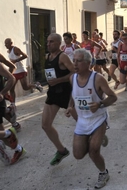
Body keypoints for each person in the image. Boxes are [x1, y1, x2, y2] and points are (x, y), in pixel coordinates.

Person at [65, 49, 117, 189]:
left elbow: (113, 97)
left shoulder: (98, 78)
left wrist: (99, 104)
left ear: (88, 63)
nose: (75, 64)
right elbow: (73, 92)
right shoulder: (72, 78)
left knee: (94, 151)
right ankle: (97, 138)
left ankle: (103, 173)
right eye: (73, 60)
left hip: (98, 118)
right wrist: (70, 106)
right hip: (82, 121)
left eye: (79, 61)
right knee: (78, 154)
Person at [43, 33, 74, 165]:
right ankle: (61, 151)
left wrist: (59, 80)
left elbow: (75, 72)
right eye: (47, 42)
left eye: (51, 42)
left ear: (58, 43)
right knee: (45, 125)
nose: (48, 44)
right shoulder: (47, 56)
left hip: (67, 93)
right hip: (53, 94)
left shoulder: (63, 57)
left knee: (83, 122)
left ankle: (97, 135)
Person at [4, 38, 43, 103]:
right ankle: (13, 104)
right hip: (14, 72)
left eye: (7, 43)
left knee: (25, 87)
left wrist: (16, 60)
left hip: (21, 70)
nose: (5, 45)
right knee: (11, 89)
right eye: (5, 44)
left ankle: (36, 85)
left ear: (11, 43)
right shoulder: (8, 51)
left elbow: (25, 55)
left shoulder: (15, 49)